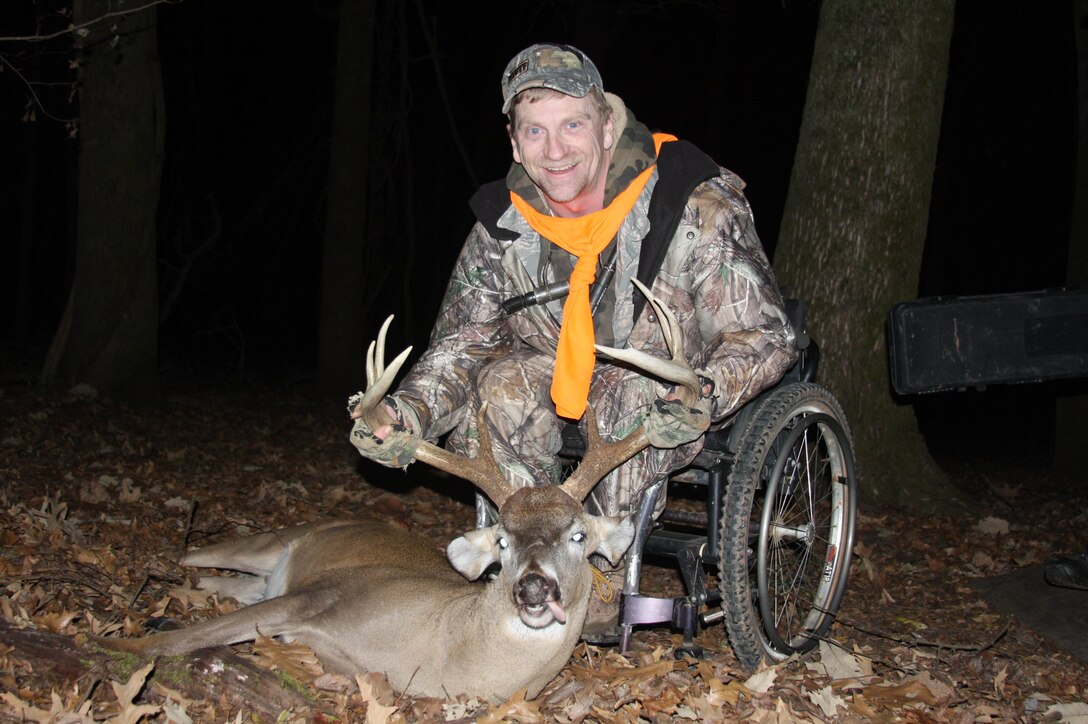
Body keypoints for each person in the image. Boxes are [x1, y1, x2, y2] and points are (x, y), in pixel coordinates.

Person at [348, 43, 798, 642]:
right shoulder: (501, 230)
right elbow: (463, 345)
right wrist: (406, 414)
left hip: (657, 398)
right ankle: (525, 566)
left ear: (607, 126)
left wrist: (706, 392)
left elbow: (765, 334)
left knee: (627, 388)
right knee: (499, 385)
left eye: (572, 125)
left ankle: (602, 576)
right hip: (551, 379)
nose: (554, 150)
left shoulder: (693, 204)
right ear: (514, 143)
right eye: (534, 131)